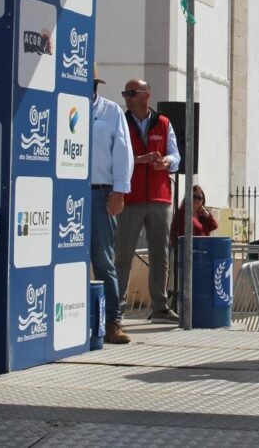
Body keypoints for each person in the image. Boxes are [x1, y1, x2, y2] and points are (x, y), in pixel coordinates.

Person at [115, 79, 182, 324]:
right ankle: (116, 307)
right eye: (125, 93)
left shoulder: (163, 123)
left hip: (159, 197)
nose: (127, 97)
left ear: (146, 95)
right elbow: (116, 156)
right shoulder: (120, 122)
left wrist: (166, 162)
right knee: (123, 254)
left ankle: (160, 307)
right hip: (130, 196)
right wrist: (140, 159)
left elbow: (176, 155)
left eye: (131, 93)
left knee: (160, 255)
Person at [89, 67, 135, 344]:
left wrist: (119, 191)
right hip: (65, 191)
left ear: (95, 85)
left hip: (100, 193)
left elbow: (123, 153)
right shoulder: (62, 104)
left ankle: (112, 320)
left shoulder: (111, 111)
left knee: (103, 260)